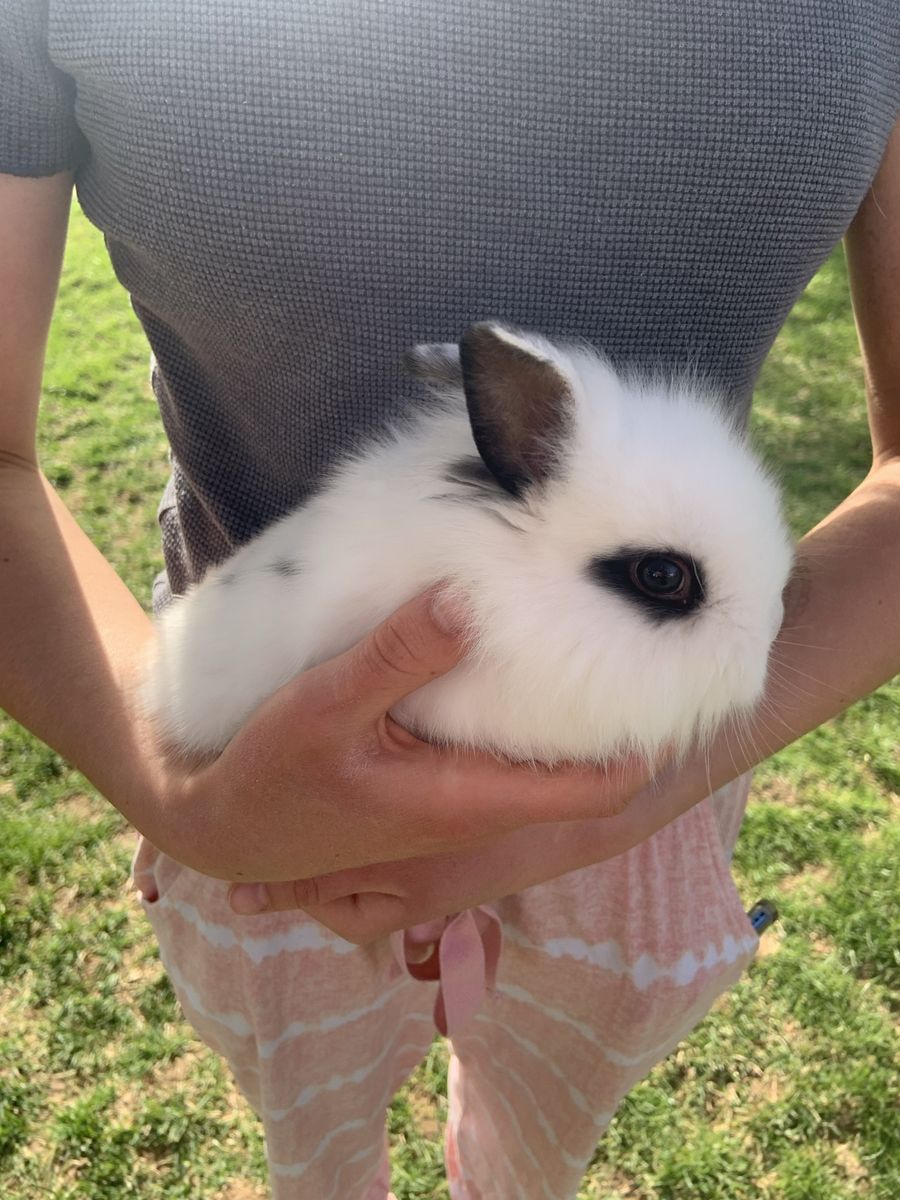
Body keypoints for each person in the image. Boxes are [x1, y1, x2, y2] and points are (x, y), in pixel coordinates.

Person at [1, 2, 898, 1196]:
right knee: (310, 1129)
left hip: (649, 767)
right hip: (253, 766)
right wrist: (187, 794)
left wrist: (624, 799)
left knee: (547, 1133)